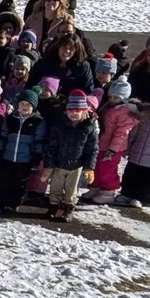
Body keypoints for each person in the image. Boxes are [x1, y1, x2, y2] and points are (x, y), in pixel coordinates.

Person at [41, 90, 100, 222]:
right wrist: (49, 165)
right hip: (58, 164)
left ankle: (68, 208)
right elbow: (51, 146)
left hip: (76, 165)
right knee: (55, 187)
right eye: (71, 110)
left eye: (77, 111)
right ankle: (53, 206)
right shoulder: (59, 125)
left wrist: (89, 168)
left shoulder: (89, 128)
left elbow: (92, 149)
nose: (73, 113)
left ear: (84, 111)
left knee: (71, 190)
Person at [84, 77, 138, 204]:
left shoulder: (125, 113)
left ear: (124, 98)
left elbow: (121, 133)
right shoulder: (108, 108)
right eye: (111, 97)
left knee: (107, 169)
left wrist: (113, 149)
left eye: (116, 98)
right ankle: (95, 187)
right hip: (101, 144)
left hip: (113, 148)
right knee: (96, 167)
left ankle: (109, 190)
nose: (112, 100)